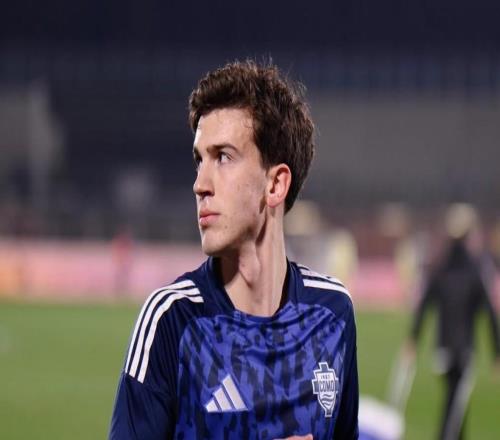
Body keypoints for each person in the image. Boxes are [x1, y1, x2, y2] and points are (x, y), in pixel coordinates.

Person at [109, 60, 359, 439]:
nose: (200, 184)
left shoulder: (332, 314)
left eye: (223, 157)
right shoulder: (173, 320)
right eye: (199, 160)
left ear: (275, 185)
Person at [405, 205, 500, 440]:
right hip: (465, 349)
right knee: (455, 402)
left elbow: (424, 306)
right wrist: (496, 352)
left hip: (444, 347)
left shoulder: (441, 268)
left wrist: (413, 338)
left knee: (456, 398)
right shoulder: (474, 271)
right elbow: (489, 313)